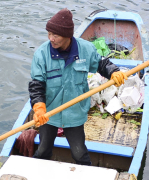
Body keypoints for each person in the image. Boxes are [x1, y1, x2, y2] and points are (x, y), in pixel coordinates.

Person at [28, 9, 124, 166]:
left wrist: (113, 72)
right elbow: (37, 85)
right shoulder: (41, 54)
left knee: (79, 152)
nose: (51, 39)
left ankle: (88, 175)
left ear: (67, 36)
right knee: (44, 149)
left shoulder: (85, 49)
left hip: (75, 111)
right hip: (48, 112)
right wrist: (39, 107)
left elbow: (101, 64)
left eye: (56, 35)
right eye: (49, 34)